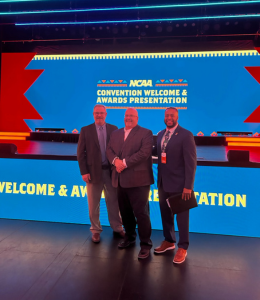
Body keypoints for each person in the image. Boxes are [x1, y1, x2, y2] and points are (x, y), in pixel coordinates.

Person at [106, 108, 154, 259]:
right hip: (120, 180)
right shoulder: (115, 133)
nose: (129, 118)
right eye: (127, 116)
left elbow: (144, 153)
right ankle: (130, 237)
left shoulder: (146, 133)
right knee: (125, 213)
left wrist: (124, 163)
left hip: (139, 182)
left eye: (132, 116)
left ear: (137, 118)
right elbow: (109, 150)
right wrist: (115, 161)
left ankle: (145, 244)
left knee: (141, 214)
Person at [153, 107, 197, 264]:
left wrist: (188, 186)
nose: (169, 117)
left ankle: (183, 247)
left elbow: (191, 163)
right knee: (165, 214)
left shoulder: (186, 135)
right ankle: (169, 241)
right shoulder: (160, 135)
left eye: (172, 115)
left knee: (182, 217)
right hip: (163, 183)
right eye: (167, 115)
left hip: (180, 185)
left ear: (177, 117)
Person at [77, 104, 124, 243]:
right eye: (96, 113)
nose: (99, 115)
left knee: (114, 203)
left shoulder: (114, 129)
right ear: (93, 114)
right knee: (93, 204)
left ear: (106, 114)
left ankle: (117, 227)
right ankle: (96, 230)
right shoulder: (85, 130)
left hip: (111, 173)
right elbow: (80, 153)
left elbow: (119, 150)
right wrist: (84, 172)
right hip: (92, 174)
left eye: (101, 113)